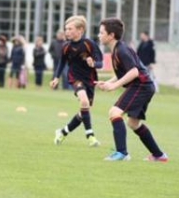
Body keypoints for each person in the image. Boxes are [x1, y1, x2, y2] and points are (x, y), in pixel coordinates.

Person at [95, 17, 168, 162]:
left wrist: (114, 86)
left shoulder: (121, 50)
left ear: (111, 35)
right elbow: (123, 72)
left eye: (101, 32)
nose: (99, 35)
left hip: (141, 86)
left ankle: (122, 153)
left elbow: (134, 72)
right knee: (133, 123)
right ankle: (159, 155)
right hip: (145, 86)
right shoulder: (117, 50)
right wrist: (108, 82)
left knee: (114, 112)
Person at [50, 15, 102, 147]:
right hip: (75, 78)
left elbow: (100, 63)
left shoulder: (89, 44)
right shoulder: (66, 46)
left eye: (70, 29)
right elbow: (62, 62)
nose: (66, 31)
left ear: (80, 30)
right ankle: (90, 136)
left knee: (83, 111)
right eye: (65, 29)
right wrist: (56, 77)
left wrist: (93, 63)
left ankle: (62, 132)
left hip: (90, 80)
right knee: (84, 101)